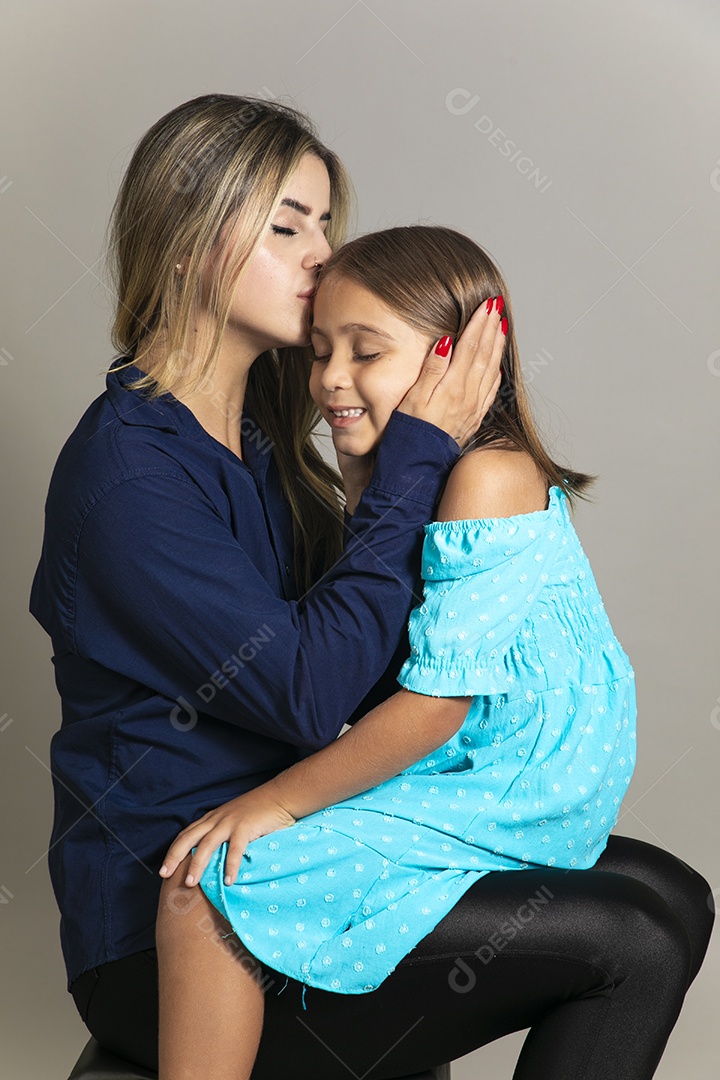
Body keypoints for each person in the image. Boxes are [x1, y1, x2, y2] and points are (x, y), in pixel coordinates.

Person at [28, 95, 712, 1080]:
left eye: (324, 223)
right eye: (286, 224)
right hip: (181, 913)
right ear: (185, 245)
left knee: (672, 893)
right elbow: (310, 694)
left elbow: (384, 660)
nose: (319, 253)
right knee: (632, 943)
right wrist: (420, 458)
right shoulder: (130, 478)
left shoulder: (265, 437)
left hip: (319, 850)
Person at [157, 225, 707, 1080]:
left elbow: (435, 706)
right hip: (505, 777)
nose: (330, 378)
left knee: (201, 891)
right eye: (320, 352)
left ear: (456, 363)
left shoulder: (488, 475)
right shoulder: (427, 476)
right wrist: (364, 479)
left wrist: (271, 804)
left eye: (366, 353)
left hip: (505, 783)